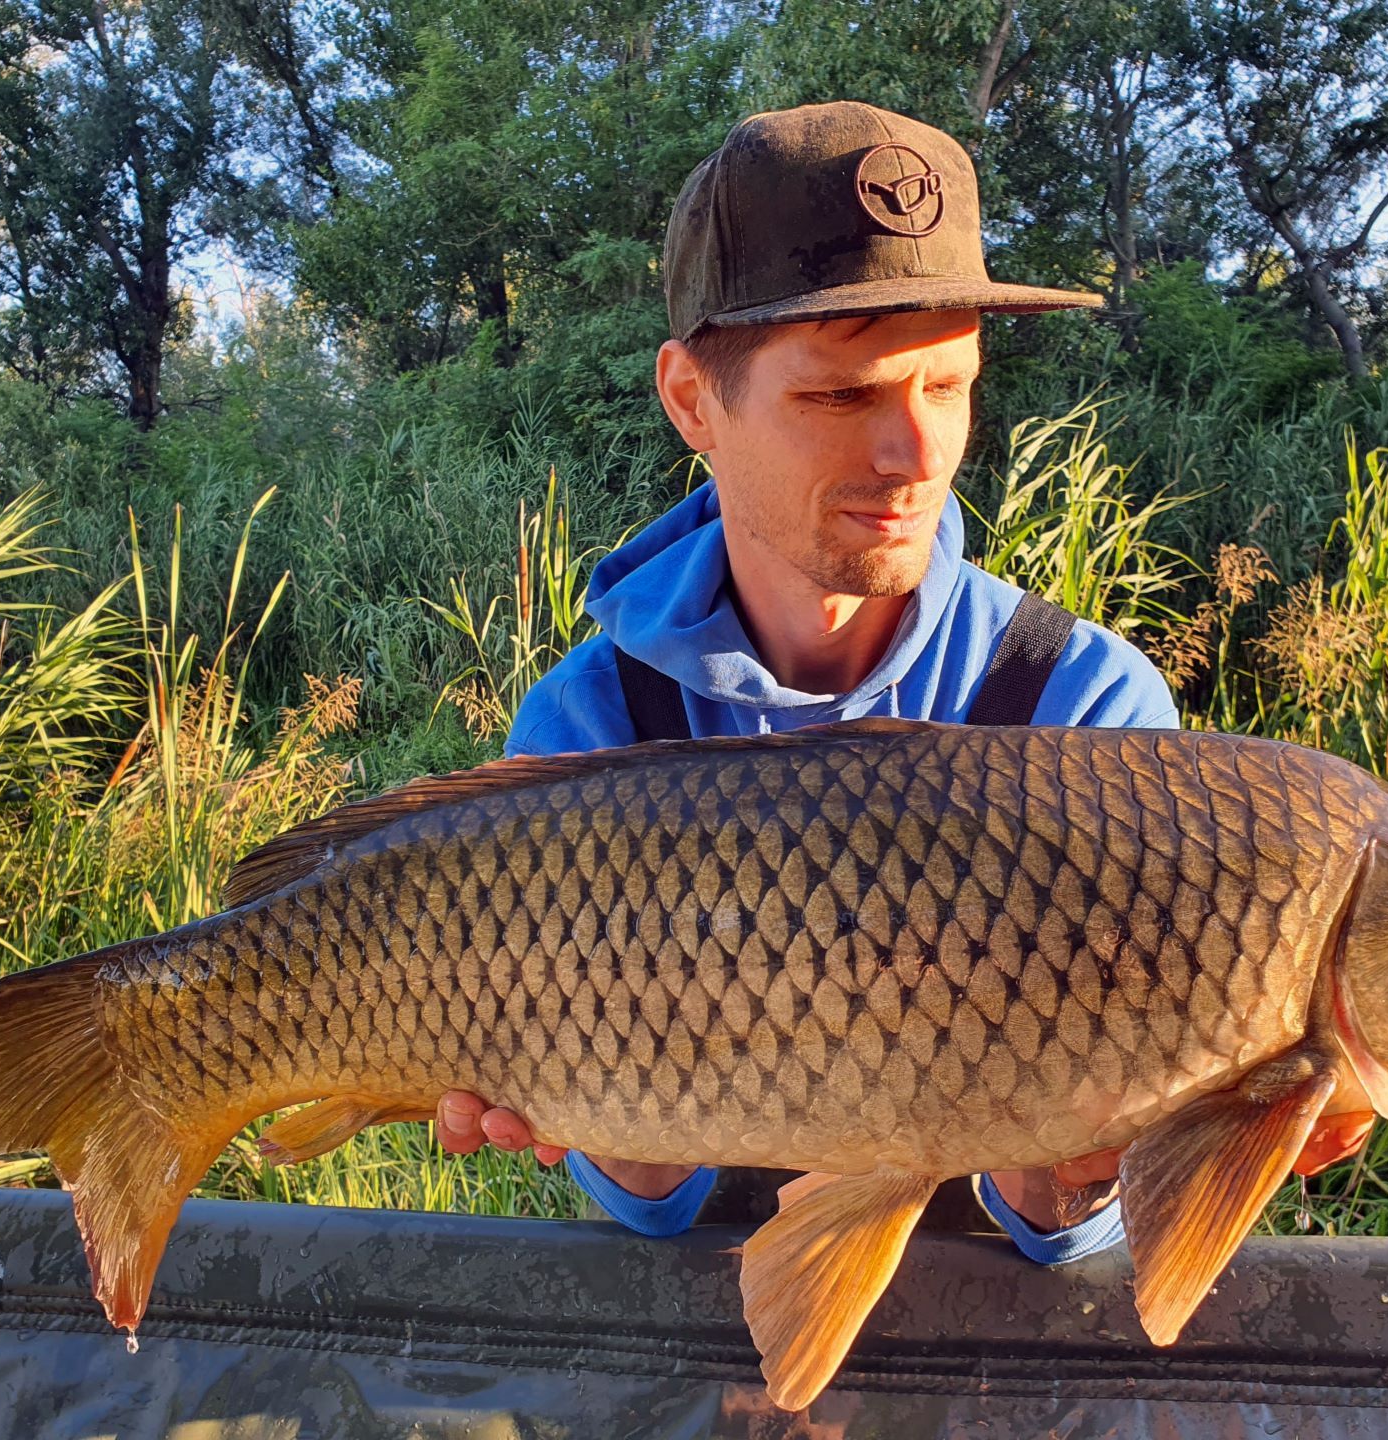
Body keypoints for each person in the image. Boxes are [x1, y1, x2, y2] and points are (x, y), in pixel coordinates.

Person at [434, 100, 1178, 1262]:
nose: (916, 455)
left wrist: (1075, 1179)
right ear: (693, 400)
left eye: (947, 386)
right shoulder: (593, 723)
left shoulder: (1079, 708)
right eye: (841, 395)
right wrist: (608, 1133)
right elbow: (648, 1210)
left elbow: (1071, 1242)